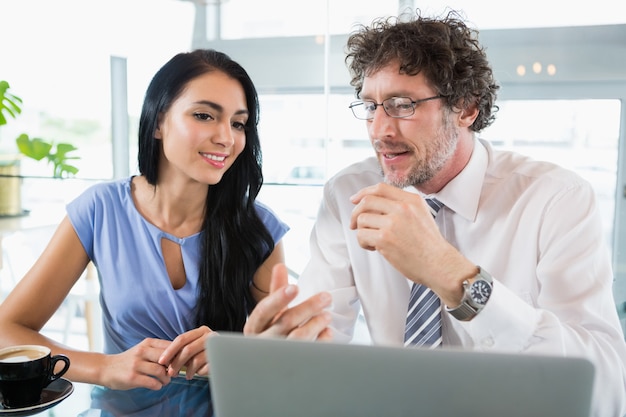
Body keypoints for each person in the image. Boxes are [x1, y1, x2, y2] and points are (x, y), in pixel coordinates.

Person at [245, 10, 626, 416]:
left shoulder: (556, 200)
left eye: (401, 105)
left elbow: (604, 388)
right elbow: (321, 342)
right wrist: (283, 350)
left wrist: (451, 274)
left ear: (466, 108)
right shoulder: (348, 194)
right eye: (371, 106)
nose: (379, 130)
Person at [0, 49, 290, 390]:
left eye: (238, 123)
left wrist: (233, 354)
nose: (226, 137)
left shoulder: (258, 228)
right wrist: (104, 368)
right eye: (204, 115)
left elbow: (285, 357)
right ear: (157, 122)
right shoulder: (101, 210)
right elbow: (8, 331)